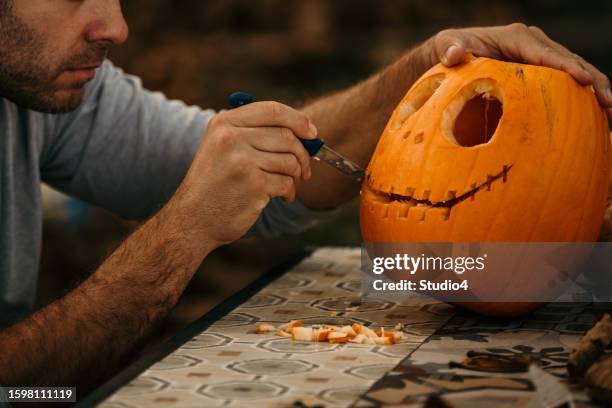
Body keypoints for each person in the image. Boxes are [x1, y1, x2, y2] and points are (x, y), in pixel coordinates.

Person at [0, 0, 610, 391]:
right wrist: (184, 231)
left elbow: (280, 180)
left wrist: (423, 68)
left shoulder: (53, 90)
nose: (116, 26)